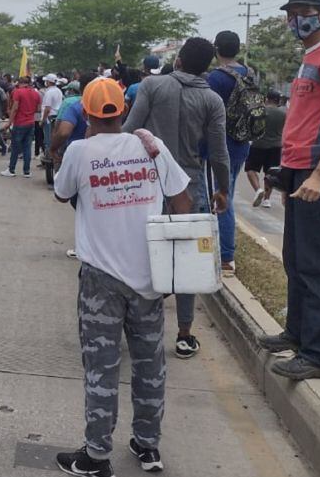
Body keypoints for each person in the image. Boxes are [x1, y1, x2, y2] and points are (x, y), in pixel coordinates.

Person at [52, 78, 192, 477]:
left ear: (87, 113)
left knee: (102, 366)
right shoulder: (150, 146)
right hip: (149, 275)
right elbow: (182, 200)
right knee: (150, 364)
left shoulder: (79, 151)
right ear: (124, 110)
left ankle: (96, 456)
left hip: (101, 279)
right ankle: (147, 445)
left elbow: (61, 193)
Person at [257, 0, 320, 381]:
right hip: (299, 172)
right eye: (291, 14)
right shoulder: (309, 58)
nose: (296, 20)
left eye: (304, 12)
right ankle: (297, 334)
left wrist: (318, 174)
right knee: (297, 260)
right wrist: (289, 176)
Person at [123, 37, 229, 359]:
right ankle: (184, 334)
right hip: (189, 183)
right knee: (185, 259)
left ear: (178, 60)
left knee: (141, 249)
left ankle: (137, 321)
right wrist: (223, 189)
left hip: (149, 180)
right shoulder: (212, 100)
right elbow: (219, 152)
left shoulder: (152, 86)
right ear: (207, 68)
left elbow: (130, 129)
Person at [206, 31, 251, 275]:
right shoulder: (249, 73)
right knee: (227, 194)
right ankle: (225, 251)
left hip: (221, 144)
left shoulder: (216, 78)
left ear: (216, 50)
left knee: (222, 198)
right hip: (242, 141)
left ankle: (226, 256)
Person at [246, 91, 286, 209]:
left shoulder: (260, 111)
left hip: (258, 145)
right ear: (278, 101)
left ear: (267, 99)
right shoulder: (283, 114)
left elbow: (251, 126)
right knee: (270, 173)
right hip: (276, 147)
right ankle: (267, 200)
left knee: (250, 169)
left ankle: (258, 189)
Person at [1, 76, 41, 178]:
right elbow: (38, 109)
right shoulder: (36, 93)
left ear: (20, 83)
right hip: (31, 122)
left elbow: (15, 108)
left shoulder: (18, 92)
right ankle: (26, 171)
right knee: (27, 147)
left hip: (20, 122)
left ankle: (11, 169)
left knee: (15, 147)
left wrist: (9, 122)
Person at [40, 73, 63, 155]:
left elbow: (47, 108)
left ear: (48, 82)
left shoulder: (49, 92)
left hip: (49, 117)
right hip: (57, 116)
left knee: (48, 138)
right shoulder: (58, 91)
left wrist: (42, 120)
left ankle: (49, 157)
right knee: (55, 138)